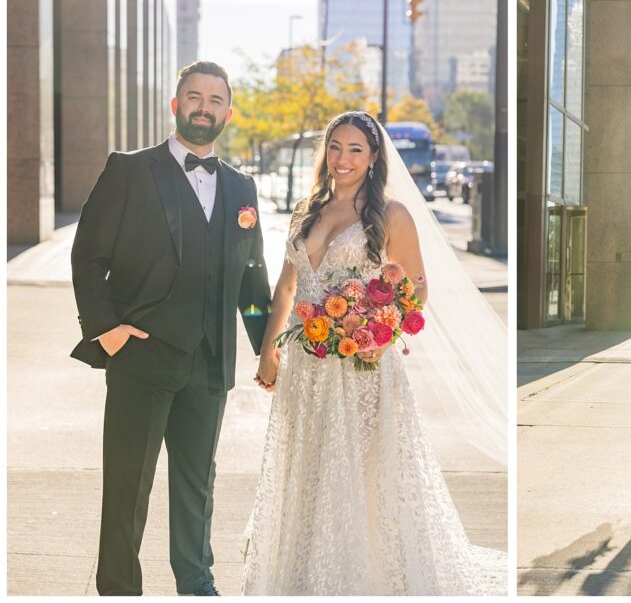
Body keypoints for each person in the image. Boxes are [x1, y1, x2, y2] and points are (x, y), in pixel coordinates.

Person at [240, 111, 507, 595]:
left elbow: (417, 288)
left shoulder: (390, 214)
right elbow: (286, 287)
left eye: (355, 149)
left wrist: (372, 332)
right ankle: (302, 573)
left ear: (374, 157)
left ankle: (363, 579)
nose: (343, 159)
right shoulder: (307, 209)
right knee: (307, 467)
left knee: (360, 474)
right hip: (304, 366)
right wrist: (267, 351)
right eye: (336, 147)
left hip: (360, 367)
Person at [70, 61, 272, 596]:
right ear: (176, 104)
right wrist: (106, 330)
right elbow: (89, 256)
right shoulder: (130, 170)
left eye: (215, 100)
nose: (204, 107)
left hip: (209, 365)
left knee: (196, 486)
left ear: (228, 112)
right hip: (141, 357)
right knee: (127, 488)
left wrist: (267, 349)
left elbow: (253, 284)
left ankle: (196, 584)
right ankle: (118, 589)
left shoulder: (241, 188)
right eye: (194, 96)